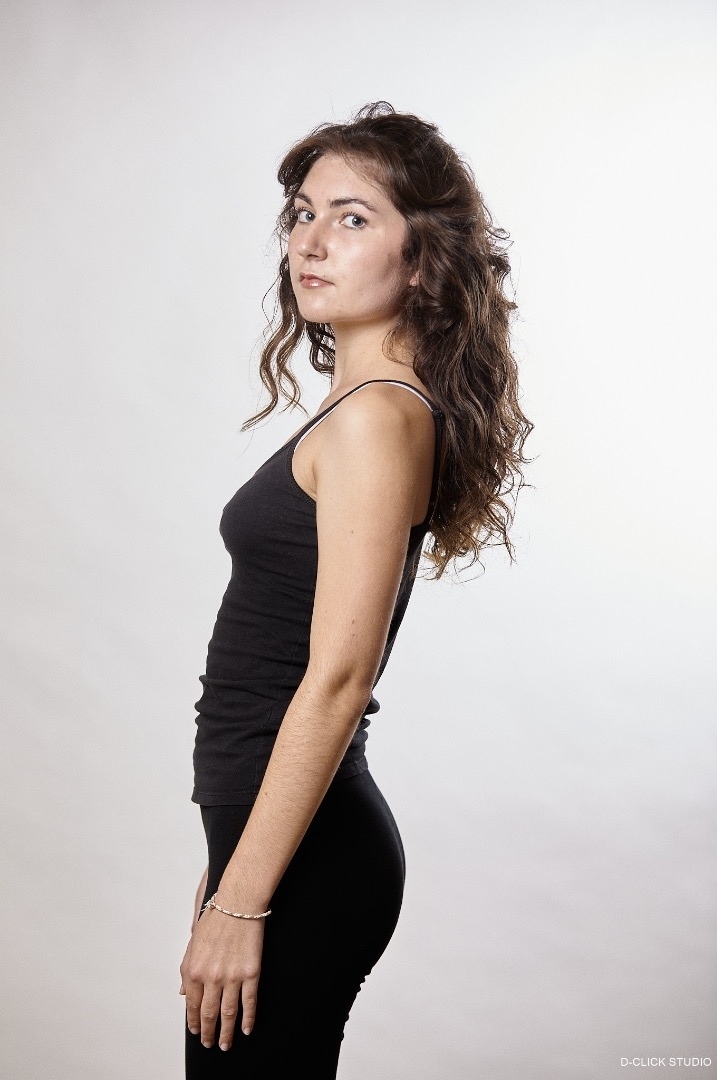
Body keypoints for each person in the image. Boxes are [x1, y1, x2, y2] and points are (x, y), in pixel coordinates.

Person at [180, 101, 532, 1079]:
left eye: (352, 217)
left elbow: (338, 680)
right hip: (277, 840)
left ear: (421, 260)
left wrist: (243, 898)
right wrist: (231, 867)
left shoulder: (377, 418)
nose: (310, 241)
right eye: (302, 213)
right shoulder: (358, 410)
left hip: (311, 858)